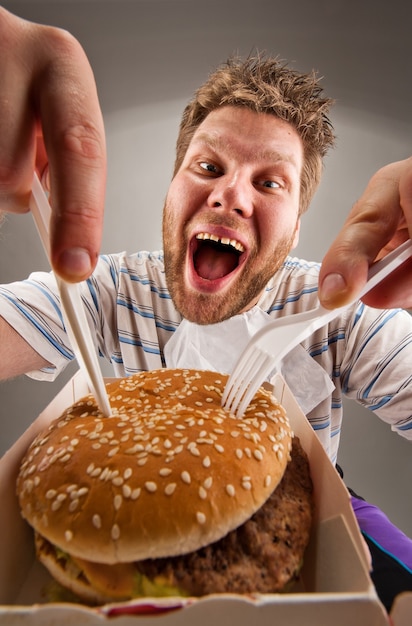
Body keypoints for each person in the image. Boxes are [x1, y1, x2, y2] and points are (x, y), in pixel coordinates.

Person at [0, 6, 411, 612]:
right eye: (208, 167)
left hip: (328, 507)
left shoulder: (332, 307)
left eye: (270, 183)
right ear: (171, 194)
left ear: (296, 229)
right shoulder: (107, 291)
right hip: (116, 526)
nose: (230, 195)